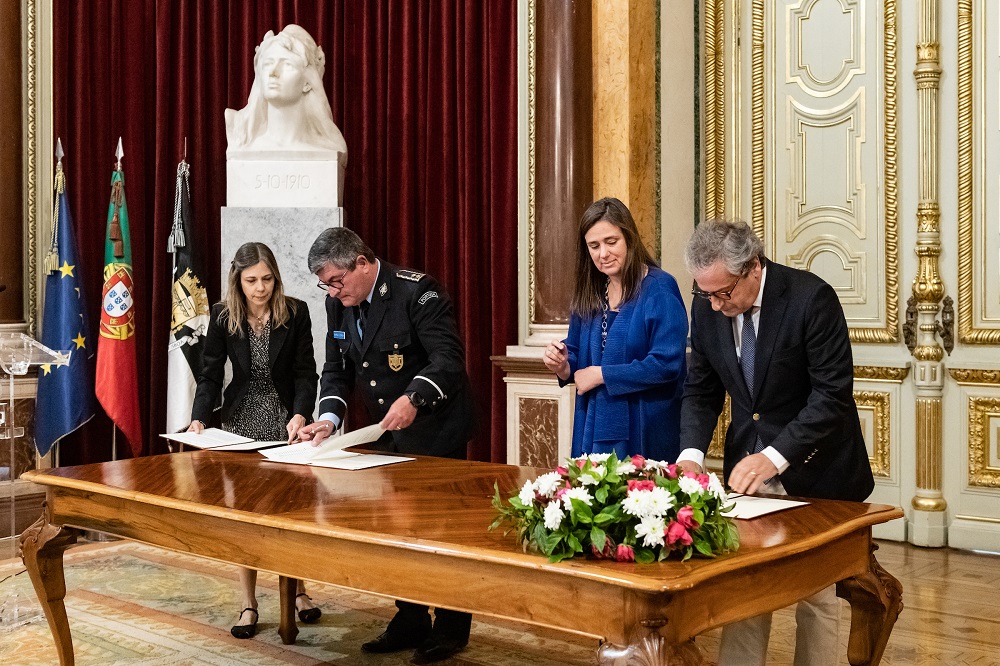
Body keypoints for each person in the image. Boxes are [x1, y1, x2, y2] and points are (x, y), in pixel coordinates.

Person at [676, 219, 875, 666]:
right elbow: (701, 390)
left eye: (723, 293)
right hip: (749, 473)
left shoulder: (810, 298)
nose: (713, 304)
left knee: (817, 596)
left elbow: (832, 395)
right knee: (744, 587)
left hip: (817, 468)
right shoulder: (709, 308)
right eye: (703, 293)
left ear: (752, 268)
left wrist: (774, 456)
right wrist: (690, 455)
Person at [296, 227, 476, 664]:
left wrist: (414, 397)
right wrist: (327, 419)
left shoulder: (418, 292)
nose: (333, 291)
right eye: (326, 284)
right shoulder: (336, 303)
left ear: (362, 262)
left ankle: (452, 627)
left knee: (439, 535)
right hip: (386, 436)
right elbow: (335, 369)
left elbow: (448, 359)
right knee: (397, 533)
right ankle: (410, 617)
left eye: (336, 280)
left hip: (436, 431)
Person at [188, 242, 320, 639]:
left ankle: (298, 592)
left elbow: (304, 372)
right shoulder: (223, 315)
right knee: (244, 516)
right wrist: (198, 419)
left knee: (290, 514)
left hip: (287, 423)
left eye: (266, 279)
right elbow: (211, 375)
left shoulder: (295, 312)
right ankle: (249, 604)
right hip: (241, 421)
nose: (260, 288)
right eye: (251, 281)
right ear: (238, 280)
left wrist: (300, 412)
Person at [541, 197, 688, 462]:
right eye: (593, 246)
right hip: (593, 422)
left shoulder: (659, 288)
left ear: (629, 239)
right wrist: (562, 364)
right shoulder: (590, 291)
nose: (603, 254)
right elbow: (575, 355)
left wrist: (603, 375)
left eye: (611, 242)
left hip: (645, 426)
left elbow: (667, 364)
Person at [225, 24, 348, 157]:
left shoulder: (328, 150)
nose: (273, 72)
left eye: (287, 65)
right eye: (267, 64)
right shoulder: (240, 139)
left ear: (307, 83)